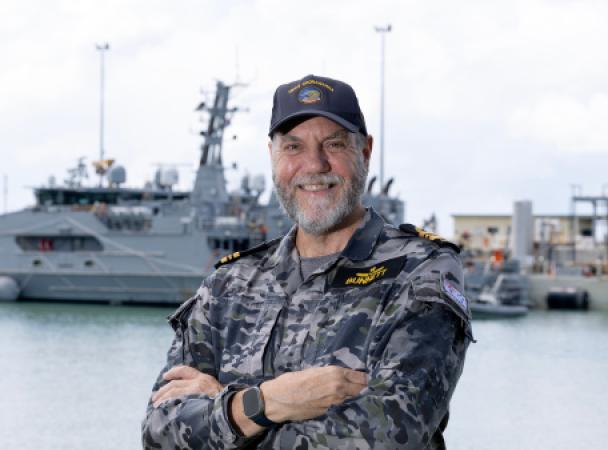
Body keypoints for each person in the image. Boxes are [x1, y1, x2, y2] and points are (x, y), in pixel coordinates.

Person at [142, 74, 474, 449]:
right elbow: (159, 433)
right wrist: (265, 402)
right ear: (272, 156)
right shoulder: (229, 284)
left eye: (333, 144)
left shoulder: (418, 270)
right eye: (294, 147)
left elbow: (388, 435)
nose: (314, 164)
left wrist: (229, 411)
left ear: (365, 152)